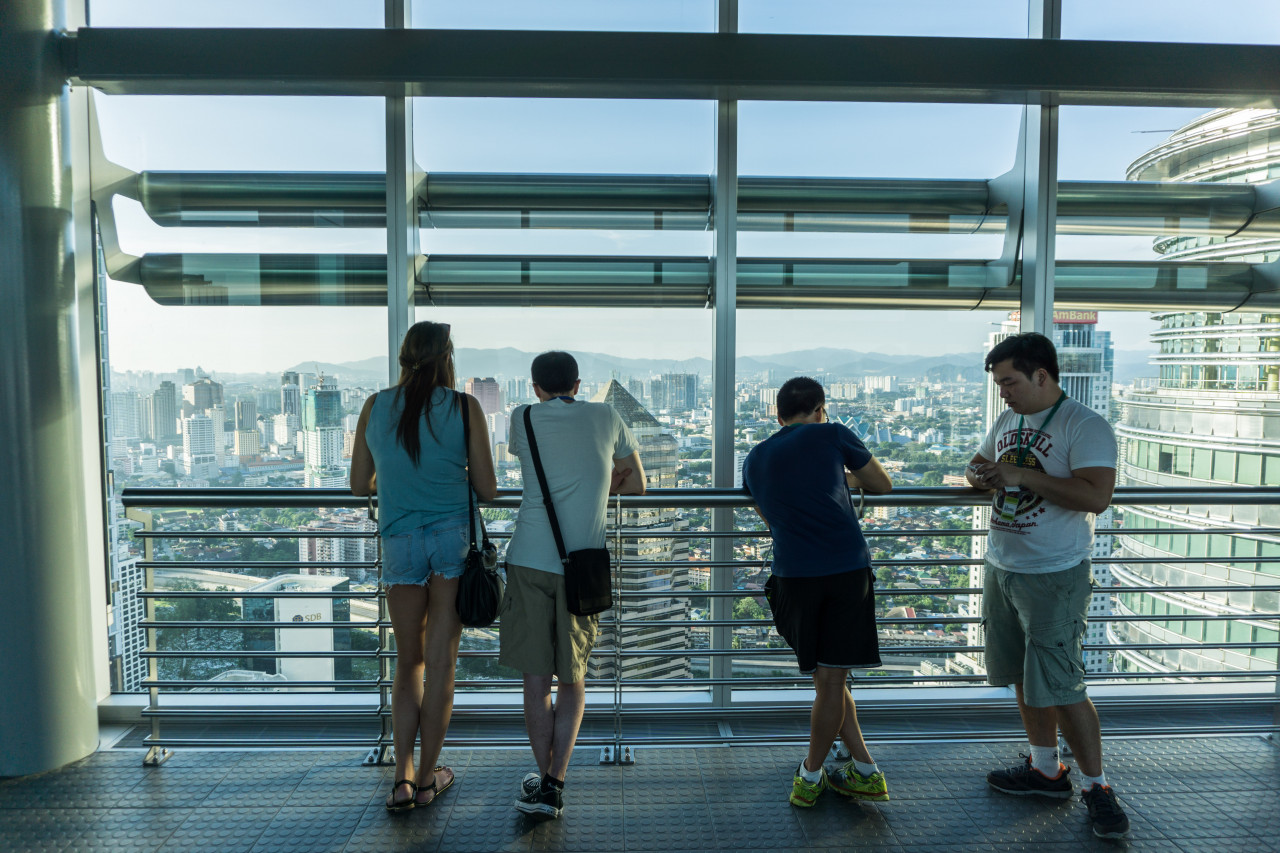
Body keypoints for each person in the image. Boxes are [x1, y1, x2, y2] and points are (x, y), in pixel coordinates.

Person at [965, 331, 1129, 839]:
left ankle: (1097, 787)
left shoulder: (1084, 425)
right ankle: (1045, 769)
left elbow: (1096, 496)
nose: (1003, 393)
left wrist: (1022, 476)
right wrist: (982, 475)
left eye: (1009, 382)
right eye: (999, 384)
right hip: (1003, 565)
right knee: (1022, 675)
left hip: (1054, 573)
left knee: (1062, 684)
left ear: (1041, 375)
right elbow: (978, 465)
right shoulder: (1008, 421)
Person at [350, 321, 497, 813]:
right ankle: (430, 778)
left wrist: (399, 480)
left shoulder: (375, 405)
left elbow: (359, 484)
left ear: (404, 357)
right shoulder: (464, 407)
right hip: (452, 540)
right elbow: (488, 488)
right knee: (441, 664)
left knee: (407, 661)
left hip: (400, 540)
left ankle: (402, 779)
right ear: (447, 357)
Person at [499, 351, 645, 819]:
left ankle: (543, 781)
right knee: (573, 677)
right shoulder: (606, 415)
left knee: (535, 680)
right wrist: (603, 484)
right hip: (582, 564)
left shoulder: (522, 417)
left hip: (528, 559)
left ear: (536, 387)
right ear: (578, 384)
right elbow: (637, 484)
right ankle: (555, 783)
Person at [742, 376, 893, 808]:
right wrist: (843, 479)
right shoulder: (832, 434)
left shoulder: (754, 458)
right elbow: (881, 484)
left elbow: (770, 519)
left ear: (778, 416)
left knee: (828, 681)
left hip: (792, 576)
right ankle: (810, 776)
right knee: (832, 681)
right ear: (820, 408)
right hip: (845, 570)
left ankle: (866, 770)